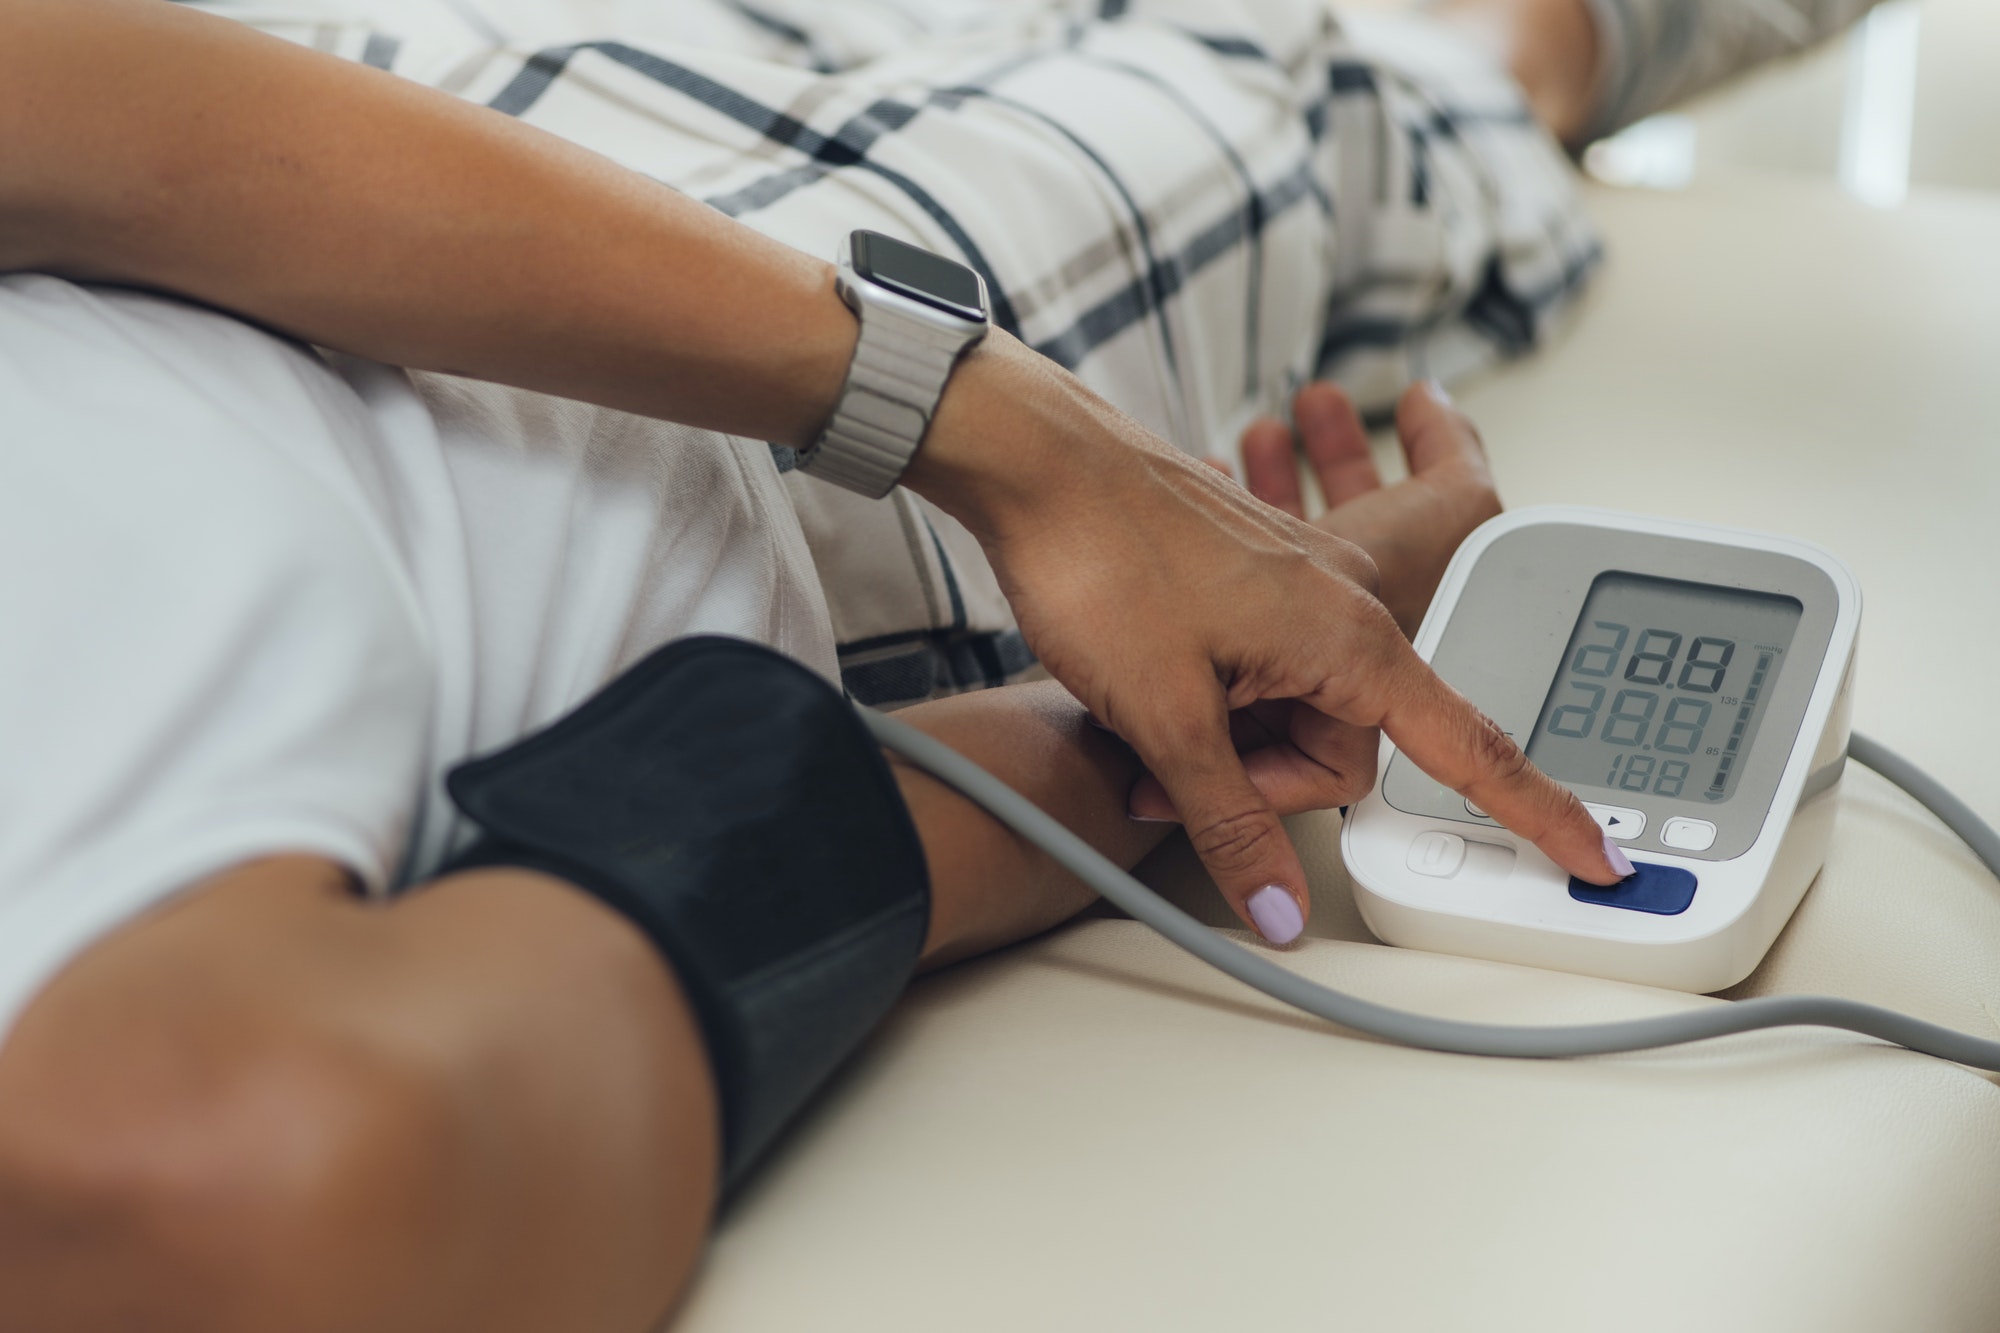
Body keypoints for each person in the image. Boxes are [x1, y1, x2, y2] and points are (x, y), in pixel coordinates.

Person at [0, 0, 1881, 1327]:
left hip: (372, 119)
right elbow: (253, 1176)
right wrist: (1119, 678)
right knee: (1353, 76)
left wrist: (1036, 450)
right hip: (798, 445)